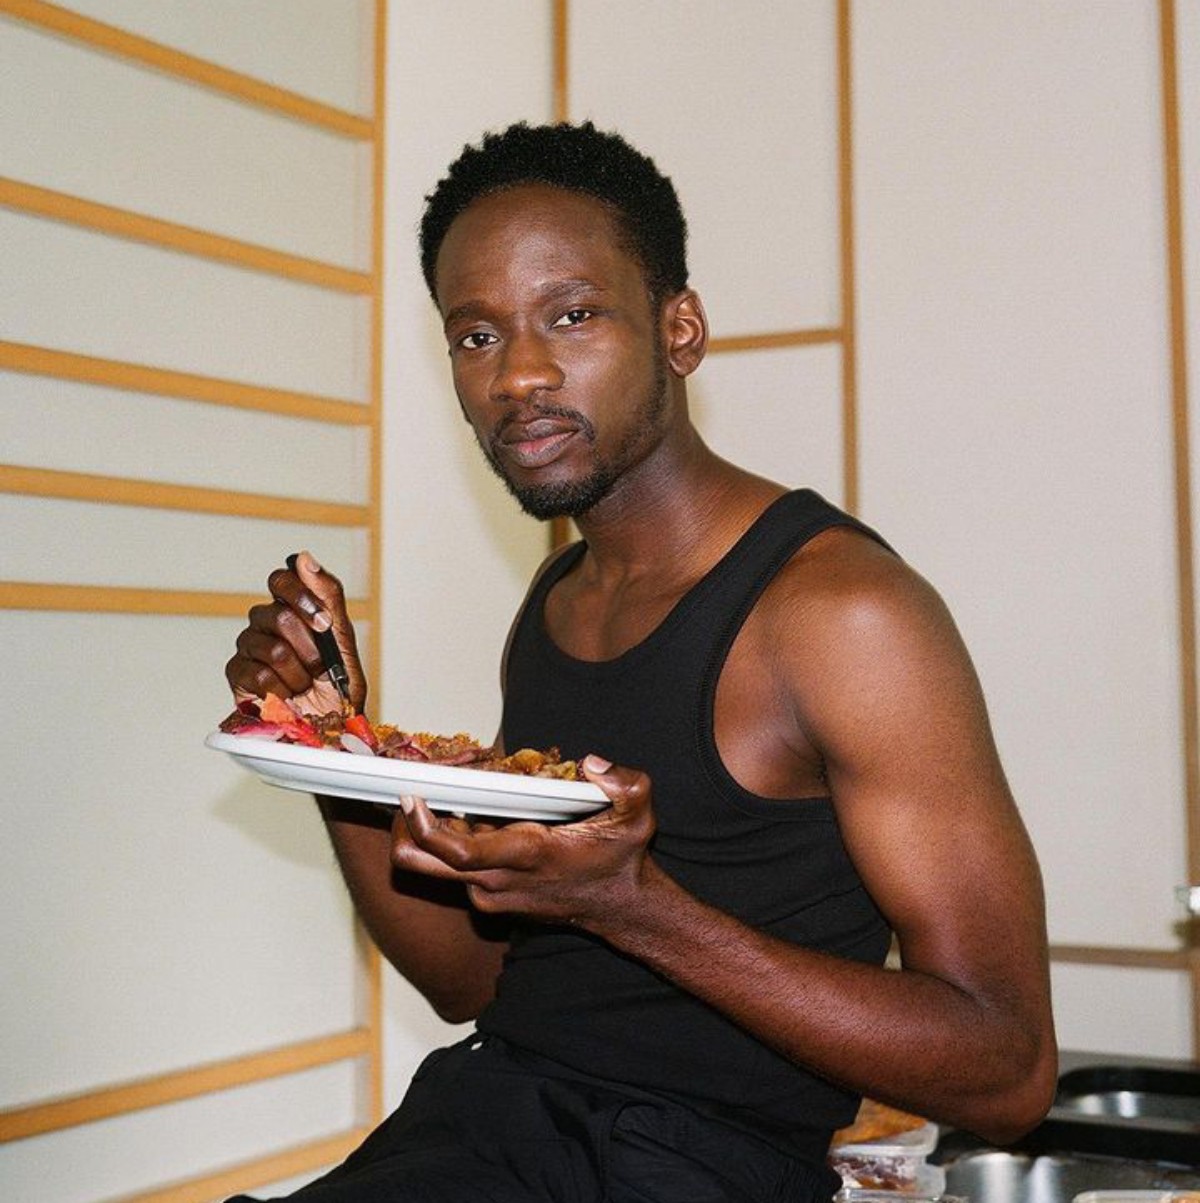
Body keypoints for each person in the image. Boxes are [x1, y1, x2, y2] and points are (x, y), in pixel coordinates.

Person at [224, 121, 1056, 1202]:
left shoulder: (842, 615)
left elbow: (1008, 1071)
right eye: (476, 335)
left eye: (572, 316)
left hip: (684, 1167)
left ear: (679, 330)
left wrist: (635, 906)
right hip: (484, 1122)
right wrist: (332, 750)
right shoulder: (559, 600)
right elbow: (474, 983)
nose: (520, 374)